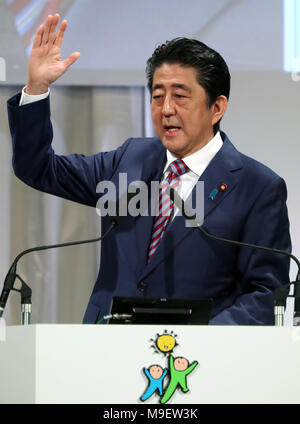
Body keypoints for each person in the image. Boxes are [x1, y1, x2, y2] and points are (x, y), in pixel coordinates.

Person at [7, 14, 291, 325]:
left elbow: (264, 292)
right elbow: (38, 168)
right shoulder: (130, 160)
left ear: (217, 108)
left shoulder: (257, 187)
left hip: (194, 364)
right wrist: (36, 87)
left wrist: (206, 340)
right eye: (157, 96)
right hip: (106, 349)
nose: (166, 109)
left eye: (180, 97)